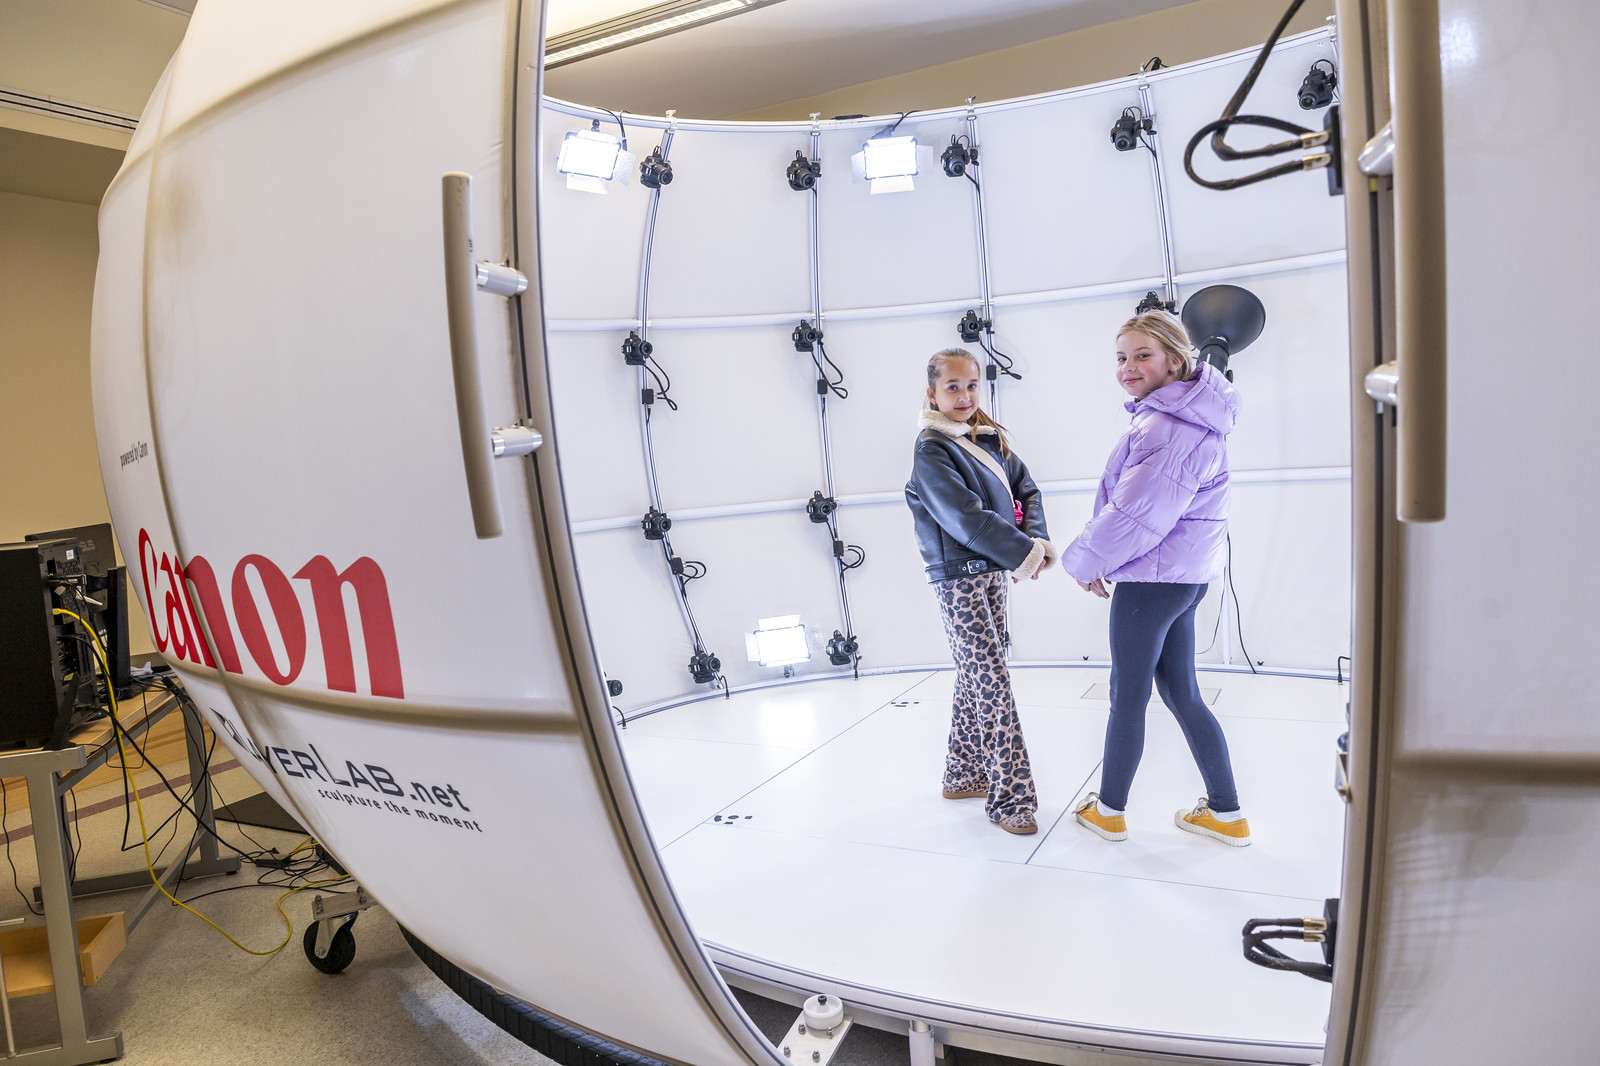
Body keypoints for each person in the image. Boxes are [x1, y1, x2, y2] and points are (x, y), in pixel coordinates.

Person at [1060, 311, 1251, 846]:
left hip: (1153, 581)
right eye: (1121, 357)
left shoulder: (1167, 428)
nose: (1128, 367)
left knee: (1127, 695)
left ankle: (1109, 811)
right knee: (1181, 693)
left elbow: (1136, 514)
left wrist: (1086, 562)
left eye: (1142, 355)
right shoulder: (1188, 416)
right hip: (1181, 579)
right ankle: (1227, 814)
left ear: (1175, 359)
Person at [906, 349, 1056, 835]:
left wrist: (1035, 543)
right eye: (952, 387)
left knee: (977, 674)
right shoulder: (931, 450)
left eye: (971, 385)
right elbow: (966, 518)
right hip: (958, 579)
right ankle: (1011, 799)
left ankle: (962, 773)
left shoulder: (988, 438)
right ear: (932, 393)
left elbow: (1027, 490)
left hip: (991, 572)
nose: (964, 395)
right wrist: (1025, 555)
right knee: (992, 682)